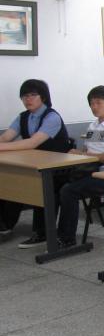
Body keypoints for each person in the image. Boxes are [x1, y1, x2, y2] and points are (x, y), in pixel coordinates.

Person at [0, 80, 70, 248]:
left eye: (33, 95)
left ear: (43, 97)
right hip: (34, 165)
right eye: (24, 96)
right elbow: (6, 137)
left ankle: (42, 233)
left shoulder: (52, 117)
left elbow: (32, 143)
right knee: (9, 180)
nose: (28, 99)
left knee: (39, 185)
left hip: (57, 169)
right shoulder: (23, 116)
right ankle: (4, 226)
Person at [56, 86, 104, 249]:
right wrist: (78, 154)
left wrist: (87, 156)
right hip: (87, 169)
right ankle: (52, 232)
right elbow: (87, 151)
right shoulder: (92, 126)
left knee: (68, 191)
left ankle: (67, 238)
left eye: (98, 103)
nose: (94, 107)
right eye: (91, 103)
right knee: (55, 183)